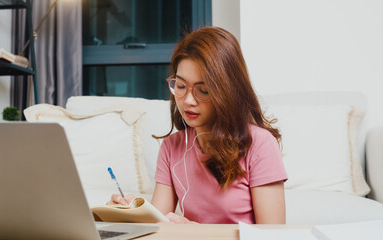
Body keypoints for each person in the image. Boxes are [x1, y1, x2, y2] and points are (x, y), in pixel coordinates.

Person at [108, 26, 287, 224]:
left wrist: (198, 233)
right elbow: (156, 226)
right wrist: (128, 214)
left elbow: (272, 235)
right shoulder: (172, 148)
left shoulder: (260, 145)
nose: (188, 100)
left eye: (203, 90)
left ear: (227, 91)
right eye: (181, 86)